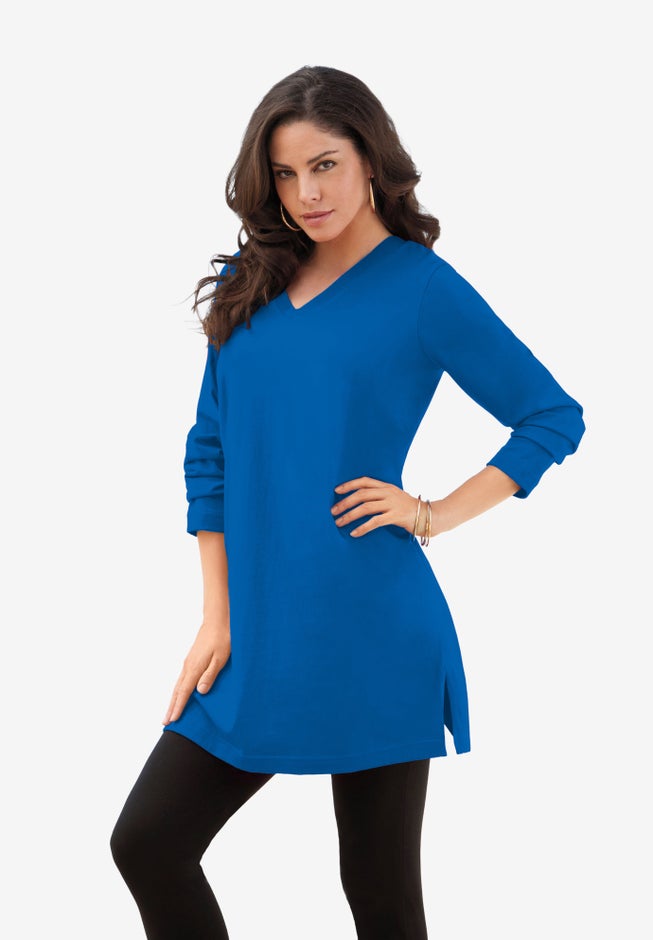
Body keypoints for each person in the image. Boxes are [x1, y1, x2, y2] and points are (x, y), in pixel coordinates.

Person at [110, 65, 586, 939]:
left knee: (378, 894)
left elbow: (550, 416)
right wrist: (217, 616)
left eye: (324, 165)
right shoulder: (249, 280)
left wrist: (432, 513)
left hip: (372, 628)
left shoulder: (421, 288)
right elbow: (209, 452)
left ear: (371, 158)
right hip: (255, 629)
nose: (306, 194)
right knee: (147, 842)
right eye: (285, 174)